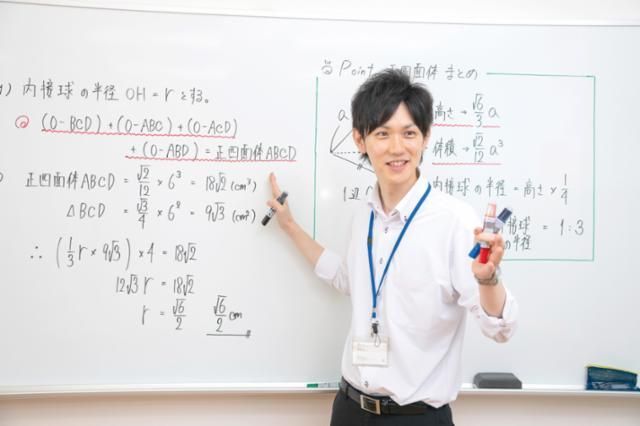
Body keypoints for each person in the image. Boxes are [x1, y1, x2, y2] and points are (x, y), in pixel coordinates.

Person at [266, 69, 518, 426]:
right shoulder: (363, 216)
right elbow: (347, 278)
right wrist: (290, 227)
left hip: (416, 418)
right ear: (360, 139)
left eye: (409, 133)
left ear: (426, 137)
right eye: (382, 133)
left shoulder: (455, 221)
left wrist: (488, 280)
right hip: (350, 409)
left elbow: (500, 328)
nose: (397, 148)